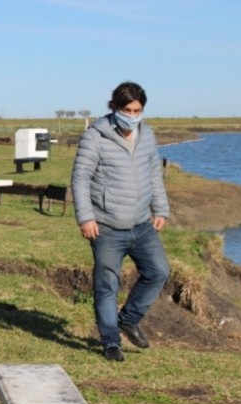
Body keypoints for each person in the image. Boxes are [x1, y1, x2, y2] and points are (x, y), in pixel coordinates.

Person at [70, 81, 170, 362]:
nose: (132, 115)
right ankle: (110, 341)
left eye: (137, 110)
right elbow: (80, 179)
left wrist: (160, 208)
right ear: (114, 107)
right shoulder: (95, 137)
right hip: (106, 227)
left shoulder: (147, 135)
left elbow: (153, 174)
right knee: (106, 285)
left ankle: (129, 318)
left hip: (141, 224)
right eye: (126, 109)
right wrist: (86, 217)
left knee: (159, 271)